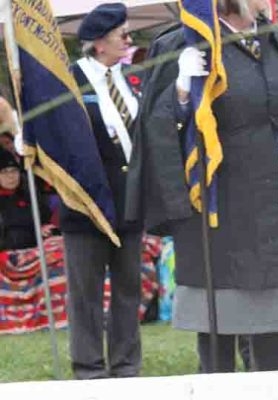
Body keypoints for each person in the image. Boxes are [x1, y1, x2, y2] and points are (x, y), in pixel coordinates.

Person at [126, 0, 278, 372]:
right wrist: (182, 91)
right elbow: (156, 130)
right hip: (222, 216)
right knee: (220, 328)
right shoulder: (184, 45)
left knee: (276, 321)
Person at [60, 3, 143, 379]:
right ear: (98, 43)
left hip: (128, 202)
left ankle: (126, 366)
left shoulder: (130, 79)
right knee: (86, 293)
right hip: (86, 204)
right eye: (121, 34)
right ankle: (89, 368)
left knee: (128, 290)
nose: (128, 39)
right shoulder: (69, 80)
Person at [0, 148, 53, 251]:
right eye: (4, 172)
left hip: (35, 249)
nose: (11, 176)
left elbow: (44, 216)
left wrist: (43, 227)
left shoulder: (29, 193)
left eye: (14, 171)